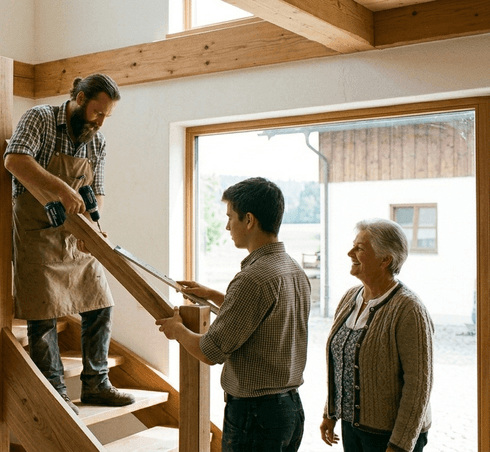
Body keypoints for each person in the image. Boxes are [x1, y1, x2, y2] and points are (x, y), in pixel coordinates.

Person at [3, 73, 134, 414]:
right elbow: (14, 160)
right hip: (35, 231)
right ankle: (55, 390)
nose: (100, 121)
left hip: (74, 235)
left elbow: (98, 192)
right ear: (78, 98)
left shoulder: (97, 142)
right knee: (42, 312)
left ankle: (96, 384)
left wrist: (93, 227)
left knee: (100, 302)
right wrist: (62, 188)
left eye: (106, 116)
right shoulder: (41, 118)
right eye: (96, 111)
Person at [156, 177, 310, 452]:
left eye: (230, 218)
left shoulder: (253, 278)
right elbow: (265, 317)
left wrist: (177, 330)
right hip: (289, 411)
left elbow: (210, 352)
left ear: (249, 220)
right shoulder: (292, 269)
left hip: (255, 417)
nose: (227, 226)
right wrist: (213, 295)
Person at [319, 219, 433, 452]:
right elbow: (342, 364)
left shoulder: (409, 309)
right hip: (352, 428)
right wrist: (330, 412)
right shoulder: (350, 298)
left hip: (390, 436)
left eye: (359, 248)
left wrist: (400, 445)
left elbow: (419, 385)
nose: (350, 252)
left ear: (385, 260)